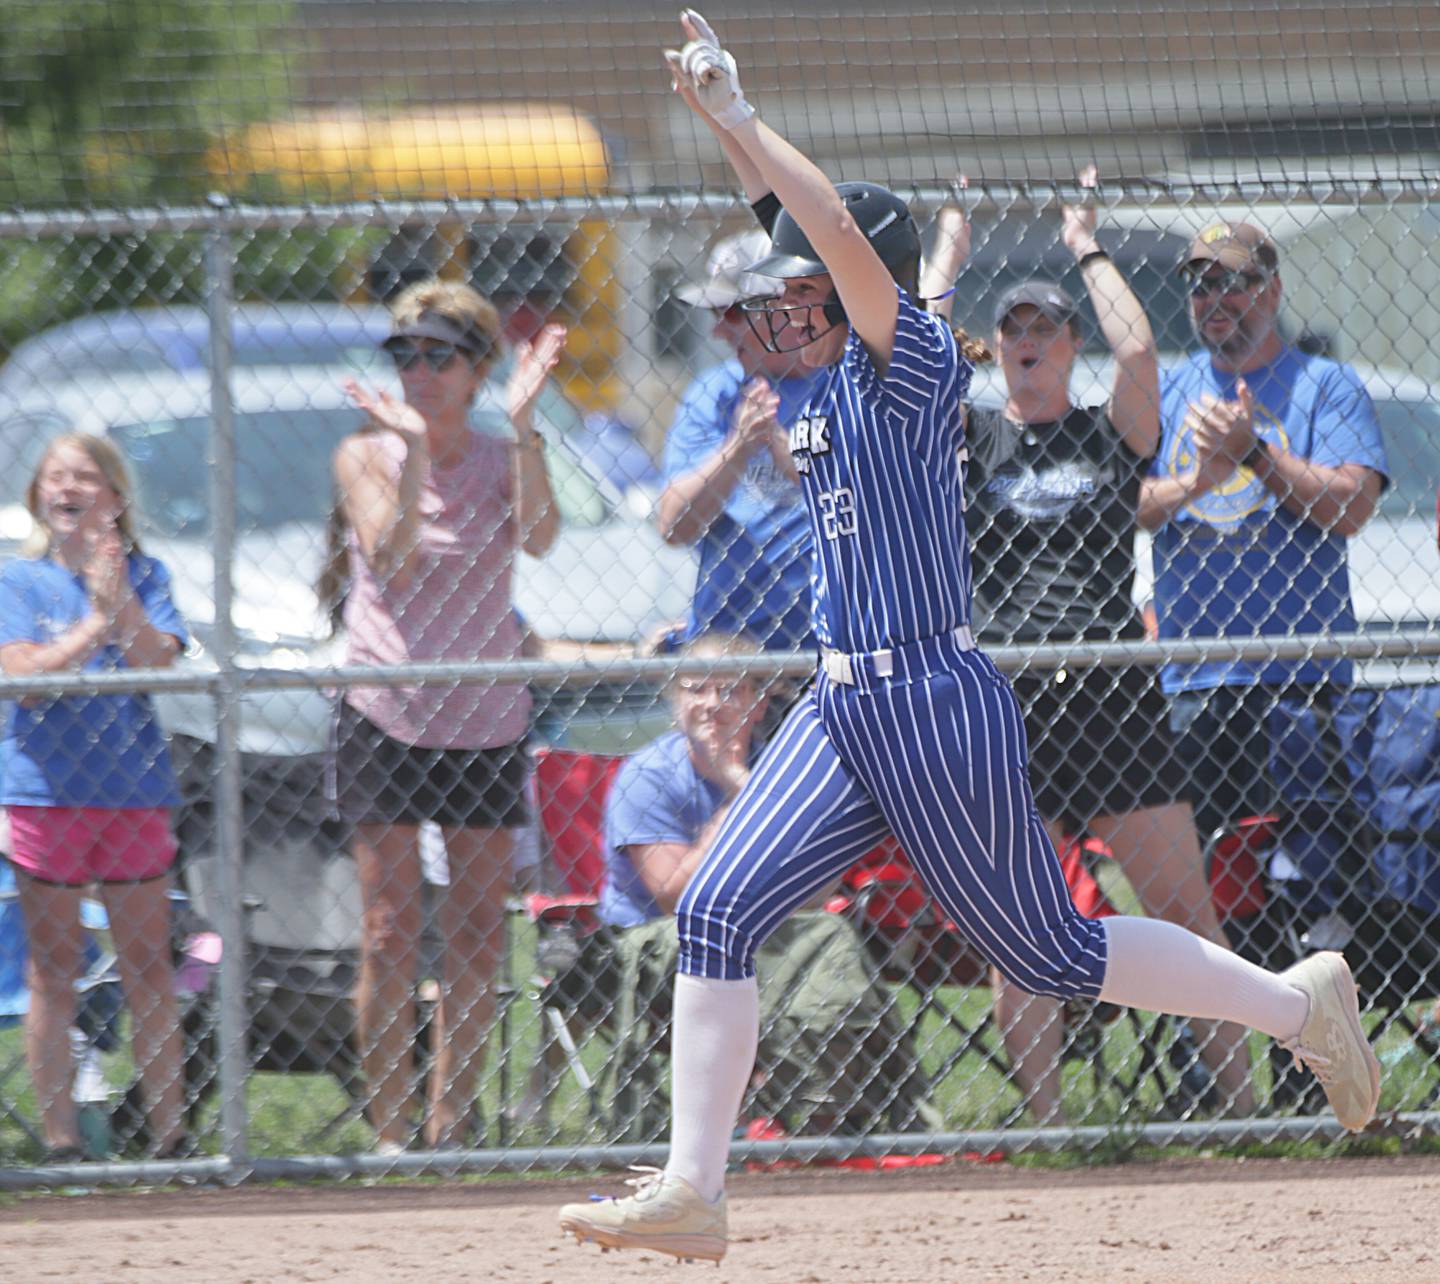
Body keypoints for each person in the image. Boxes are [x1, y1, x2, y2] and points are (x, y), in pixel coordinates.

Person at [559, 13, 1381, 1264]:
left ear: (856, 285)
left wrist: (738, 113)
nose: (776, 309)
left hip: (935, 700)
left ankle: (1295, 1003)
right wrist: (739, 146)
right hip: (840, 708)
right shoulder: (822, 374)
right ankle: (694, 1189)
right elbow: (803, 232)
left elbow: (830, 230)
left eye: (798, 290)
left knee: (1046, 947)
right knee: (717, 908)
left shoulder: (912, 360)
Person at [920, 172, 1253, 1121]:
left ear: (1070, 346)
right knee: (1022, 926)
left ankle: (1243, 1107)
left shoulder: (1111, 437)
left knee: (1183, 908)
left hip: (1110, 692)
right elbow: (918, 343)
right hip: (1009, 701)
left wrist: (1084, 243)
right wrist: (953, 240)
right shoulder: (971, 435)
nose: (1028, 339)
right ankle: (1049, 1122)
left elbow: (1140, 345)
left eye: (1047, 328)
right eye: (1015, 327)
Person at [325, 277, 564, 1151]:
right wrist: (414, 451)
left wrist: (528, 423)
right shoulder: (365, 454)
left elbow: (539, 535)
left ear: (476, 369)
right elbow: (391, 560)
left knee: (473, 931)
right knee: (389, 932)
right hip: (386, 708)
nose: (420, 371)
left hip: (486, 717)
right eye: (406, 355)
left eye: (440, 356)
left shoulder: (504, 457)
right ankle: (392, 1133)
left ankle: (449, 1124)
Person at [597, 630, 931, 1137]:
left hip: (773, 934)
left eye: (730, 690)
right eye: (695, 689)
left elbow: (816, 888)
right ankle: (811, 1112)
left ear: (757, 701)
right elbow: (676, 896)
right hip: (655, 942)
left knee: (825, 938)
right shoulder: (648, 776)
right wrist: (742, 799)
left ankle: (824, 1121)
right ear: (674, 701)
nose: (711, 704)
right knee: (810, 945)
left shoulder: (789, 767)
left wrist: (749, 786)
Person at [1136, 224, 1390, 843]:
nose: (1212, 298)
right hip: (1192, 678)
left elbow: (1351, 507)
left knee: (1309, 871)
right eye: (1199, 286)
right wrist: (1201, 479)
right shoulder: (1168, 388)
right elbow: (1131, 507)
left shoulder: (1325, 385)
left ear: (1272, 291)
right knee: (1204, 872)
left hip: (1299, 677)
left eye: (1231, 282)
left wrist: (1254, 452)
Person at [0, 434, 188, 1161]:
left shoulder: (147, 573)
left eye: (86, 477)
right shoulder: (20, 582)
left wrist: (121, 603)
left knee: (147, 964)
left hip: (132, 791)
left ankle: (171, 1137)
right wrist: (92, 623)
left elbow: (159, 660)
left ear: (115, 497)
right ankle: (61, 1141)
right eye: (55, 477)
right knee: (52, 967)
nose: (68, 488)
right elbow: (25, 673)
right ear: (39, 497)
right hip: (45, 794)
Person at [656, 227, 818, 653]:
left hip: (833, 649)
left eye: (730, 313)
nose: (718, 332)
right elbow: (673, 525)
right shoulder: (715, 393)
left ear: (782, 306)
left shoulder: (847, 385)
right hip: (732, 653)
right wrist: (738, 446)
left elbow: (866, 501)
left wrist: (783, 447)